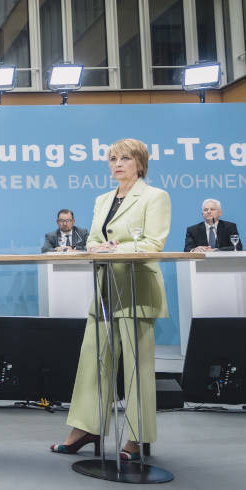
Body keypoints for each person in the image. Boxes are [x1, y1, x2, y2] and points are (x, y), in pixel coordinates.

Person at [50, 138, 170, 462]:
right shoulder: (103, 199)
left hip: (136, 289)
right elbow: (91, 239)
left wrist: (116, 248)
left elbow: (153, 244)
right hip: (104, 290)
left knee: (136, 367)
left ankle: (136, 436)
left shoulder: (155, 197)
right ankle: (86, 428)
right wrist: (99, 248)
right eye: (113, 158)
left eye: (125, 158)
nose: (117, 164)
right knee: (92, 360)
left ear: (140, 163)